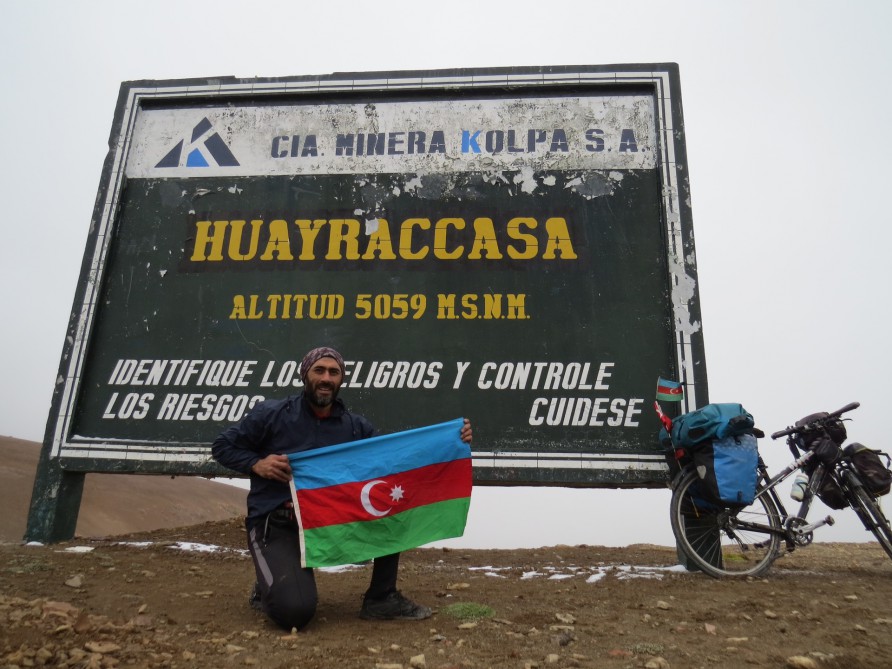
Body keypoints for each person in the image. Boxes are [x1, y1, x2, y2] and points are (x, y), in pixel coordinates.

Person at [212, 346, 473, 630]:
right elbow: (222, 446)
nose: (326, 378)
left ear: (341, 380)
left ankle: (381, 598)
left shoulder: (355, 427)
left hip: (331, 520)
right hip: (278, 524)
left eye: (333, 372)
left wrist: (452, 439)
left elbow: (396, 461)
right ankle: (269, 584)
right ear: (305, 374)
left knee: (390, 499)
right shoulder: (271, 414)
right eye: (319, 371)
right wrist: (257, 463)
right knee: (294, 614)